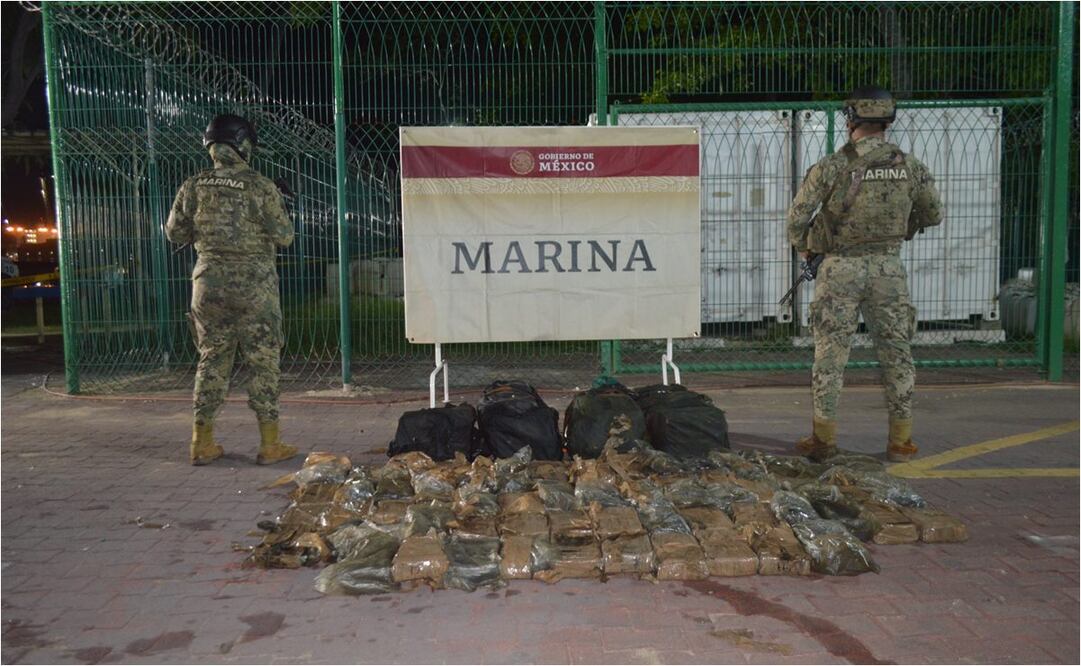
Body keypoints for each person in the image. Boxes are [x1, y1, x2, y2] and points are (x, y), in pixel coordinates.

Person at [786, 87, 943, 463]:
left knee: (830, 354)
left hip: (839, 268)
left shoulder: (832, 166)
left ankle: (824, 440)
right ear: (888, 120)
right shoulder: (911, 166)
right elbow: (933, 214)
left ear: (851, 118)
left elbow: (797, 219)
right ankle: (901, 441)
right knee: (897, 353)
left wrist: (805, 247)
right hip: (888, 268)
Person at [166, 114, 298, 466]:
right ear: (243, 145)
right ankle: (270, 445)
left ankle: (201, 442)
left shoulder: (193, 185)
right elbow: (285, 236)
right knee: (263, 361)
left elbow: (174, 233)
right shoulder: (260, 185)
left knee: (211, 359)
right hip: (254, 286)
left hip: (208, 284)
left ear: (210, 145)